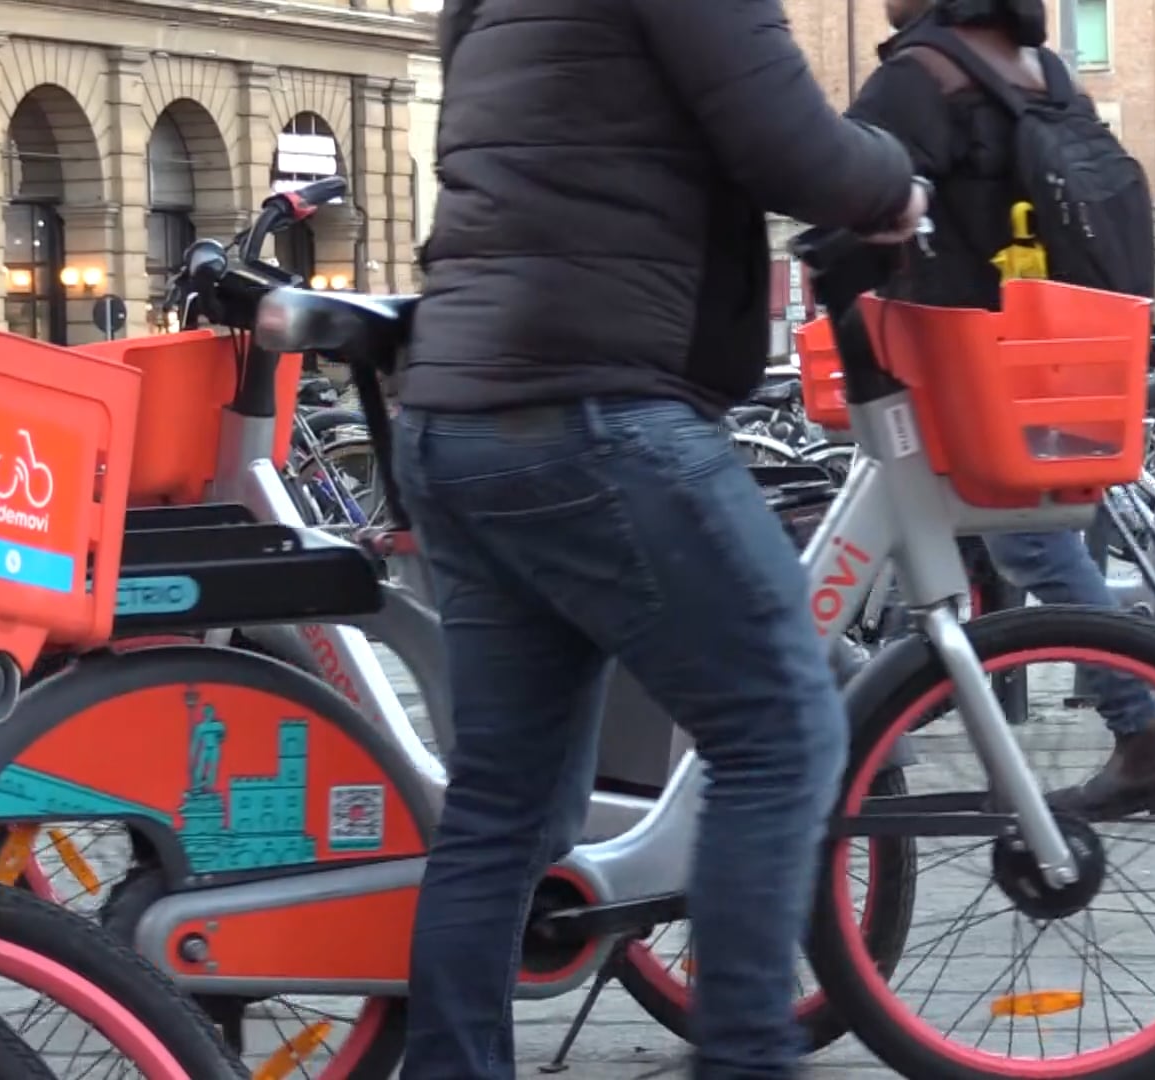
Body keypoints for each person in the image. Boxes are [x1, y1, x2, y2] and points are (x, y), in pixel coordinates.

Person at [391, 0, 928, 1074]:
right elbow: (791, 146)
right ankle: (744, 1057)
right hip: (594, 412)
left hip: (457, 414)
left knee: (504, 804)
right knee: (780, 729)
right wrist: (894, 182)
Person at [846, 0, 1155, 820]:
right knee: (978, 539)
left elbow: (845, 183)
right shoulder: (1039, 71)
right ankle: (901, 702)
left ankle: (1142, 733)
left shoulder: (923, 74)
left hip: (961, 355)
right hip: (1043, 348)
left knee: (1026, 543)